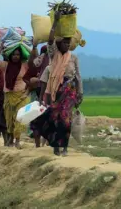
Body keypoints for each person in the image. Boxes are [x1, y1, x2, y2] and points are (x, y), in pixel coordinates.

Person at [31, 12, 83, 156]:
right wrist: (56, 23)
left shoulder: (73, 58)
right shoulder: (53, 54)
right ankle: (55, 146)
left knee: (66, 119)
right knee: (54, 119)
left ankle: (65, 146)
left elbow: (78, 76)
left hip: (69, 90)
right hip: (55, 90)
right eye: (64, 42)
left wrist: (80, 93)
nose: (66, 45)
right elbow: (50, 41)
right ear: (59, 43)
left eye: (68, 42)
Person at [0, 45, 30, 148]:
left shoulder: (24, 65)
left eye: (18, 54)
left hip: (22, 96)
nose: (15, 56)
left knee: (20, 118)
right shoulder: (5, 65)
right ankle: (10, 138)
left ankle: (17, 140)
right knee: (9, 120)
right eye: (13, 54)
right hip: (9, 96)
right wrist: (0, 48)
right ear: (10, 55)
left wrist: (31, 47)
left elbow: (33, 61)